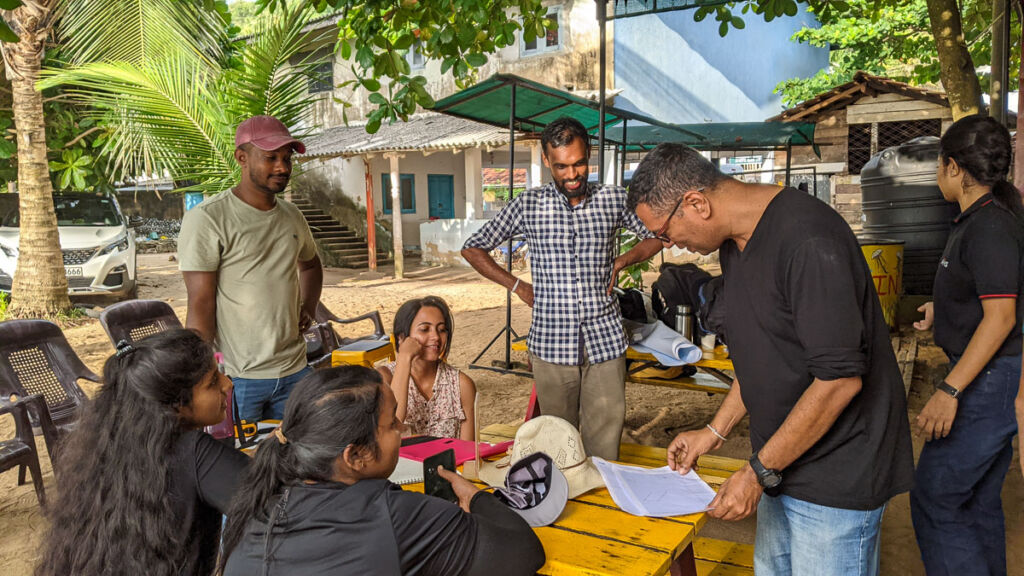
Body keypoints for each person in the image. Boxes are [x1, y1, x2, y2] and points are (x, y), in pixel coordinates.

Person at [627, 144, 914, 576]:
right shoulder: (735, 245)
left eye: (666, 233)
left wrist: (757, 472)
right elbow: (763, 358)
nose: (672, 246)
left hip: (837, 475)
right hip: (782, 465)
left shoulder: (808, 241)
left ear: (696, 204)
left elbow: (839, 381)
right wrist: (713, 430)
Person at [461, 117, 663, 460]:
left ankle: (602, 501)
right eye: (562, 166)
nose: (572, 175)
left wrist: (622, 261)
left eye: (580, 163)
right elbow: (473, 247)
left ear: (590, 156)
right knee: (557, 442)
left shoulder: (614, 199)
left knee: (604, 442)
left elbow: (658, 234)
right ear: (545, 160)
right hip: (551, 346)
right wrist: (518, 286)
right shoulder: (528, 206)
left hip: (606, 341)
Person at [219, 365, 545, 576]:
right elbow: (522, 552)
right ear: (356, 455)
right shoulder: (395, 516)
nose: (402, 428)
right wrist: (475, 498)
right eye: (391, 424)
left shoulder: (255, 498)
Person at [908, 114, 1023, 576]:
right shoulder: (982, 219)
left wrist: (949, 390)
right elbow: (990, 295)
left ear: (954, 167)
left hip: (984, 383)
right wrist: (945, 308)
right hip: (989, 376)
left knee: (937, 500)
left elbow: (1002, 317)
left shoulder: (990, 227)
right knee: (975, 501)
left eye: (940, 165)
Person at [35, 329, 248, 576]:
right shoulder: (193, 450)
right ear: (177, 403)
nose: (227, 384)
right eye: (212, 382)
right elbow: (283, 505)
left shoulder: (106, 451)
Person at [178, 115, 323, 424]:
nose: (283, 167)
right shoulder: (209, 219)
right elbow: (200, 304)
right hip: (239, 379)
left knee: (301, 461)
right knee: (242, 465)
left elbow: (310, 265)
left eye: (287, 158)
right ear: (241, 158)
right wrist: (205, 377)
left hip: (296, 371)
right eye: (270, 158)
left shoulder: (292, 216)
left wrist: (308, 307)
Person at [377, 296, 476, 440]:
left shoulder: (462, 385)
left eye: (442, 330)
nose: (436, 336)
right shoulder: (384, 378)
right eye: (424, 329)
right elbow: (394, 421)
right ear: (401, 337)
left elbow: (468, 452)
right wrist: (404, 358)